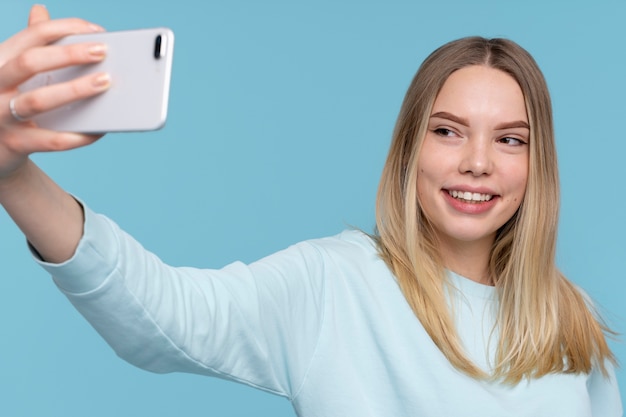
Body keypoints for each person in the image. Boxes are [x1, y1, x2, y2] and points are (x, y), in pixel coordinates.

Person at [0, 5, 622, 417]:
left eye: (510, 139)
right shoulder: (336, 284)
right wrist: (13, 173)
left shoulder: (573, 324)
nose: (478, 162)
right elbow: (162, 317)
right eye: (448, 131)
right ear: (409, 150)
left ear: (537, 165)